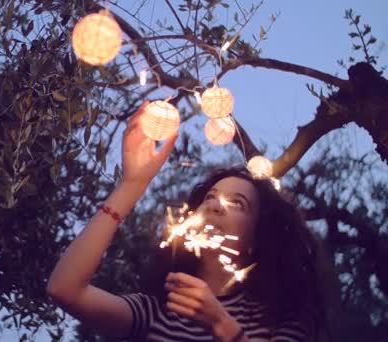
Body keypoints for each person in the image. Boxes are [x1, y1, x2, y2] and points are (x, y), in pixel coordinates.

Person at [46, 102, 328, 341]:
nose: (216, 205)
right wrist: (132, 184)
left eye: (237, 204)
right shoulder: (157, 311)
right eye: (210, 197)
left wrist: (223, 326)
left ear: (258, 238)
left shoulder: (281, 317)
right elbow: (64, 289)